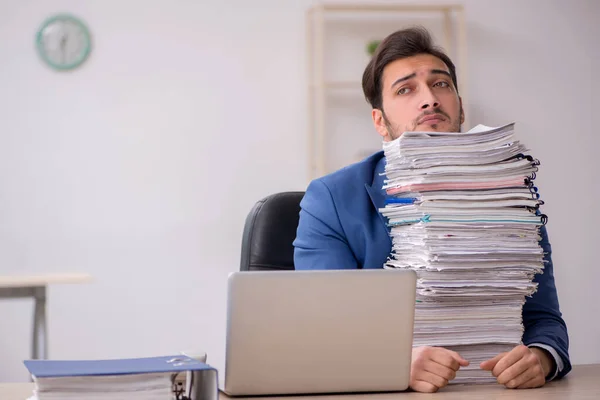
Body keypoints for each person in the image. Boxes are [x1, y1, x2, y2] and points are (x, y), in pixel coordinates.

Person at [292, 26, 571, 393]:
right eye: (405, 89)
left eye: (440, 85)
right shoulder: (330, 197)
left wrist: (542, 357)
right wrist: (390, 363)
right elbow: (322, 327)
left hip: (499, 390)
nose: (429, 99)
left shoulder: (508, 192)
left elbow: (544, 318)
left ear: (460, 106)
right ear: (380, 122)